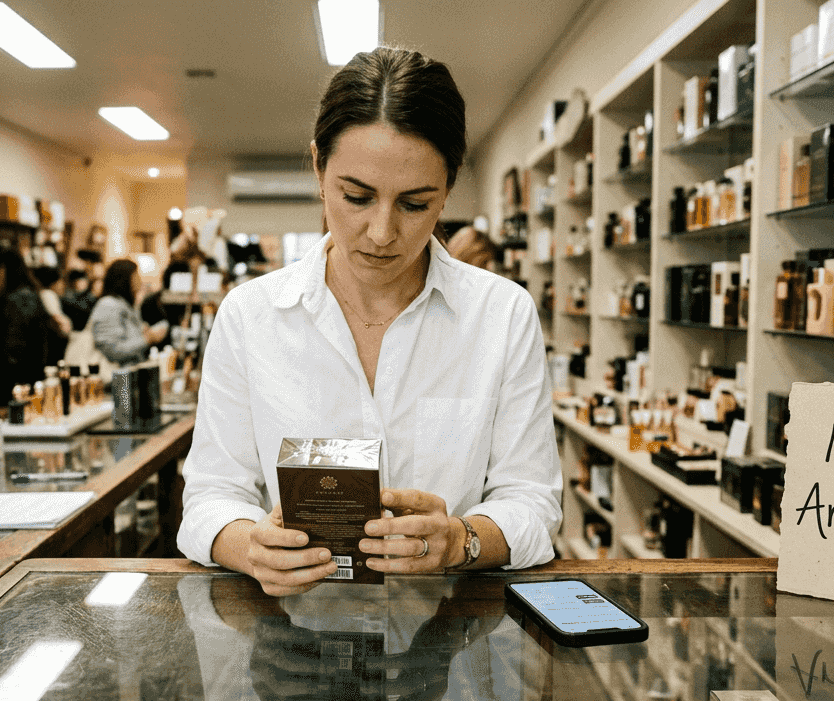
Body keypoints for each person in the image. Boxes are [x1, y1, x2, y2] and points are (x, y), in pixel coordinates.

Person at [178, 47, 562, 596]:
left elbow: (533, 502)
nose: (381, 233)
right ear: (319, 168)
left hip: (450, 629)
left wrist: (462, 540)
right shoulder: (250, 316)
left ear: (449, 186)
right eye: (356, 197)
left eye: (414, 204)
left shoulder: (501, 314)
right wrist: (249, 547)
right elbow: (210, 497)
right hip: (292, 630)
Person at [0, 246, 53, 409]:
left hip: (12, 394)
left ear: (2, 270)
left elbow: (13, 352)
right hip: (22, 389)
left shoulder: (17, 300)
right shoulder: (26, 295)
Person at [89, 259, 168, 367]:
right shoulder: (109, 305)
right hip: (115, 375)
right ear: (124, 278)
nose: (140, 281)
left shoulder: (123, 305)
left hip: (125, 373)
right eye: (136, 277)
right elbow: (112, 350)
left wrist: (142, 332)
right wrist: (147, 339)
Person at [33, 265, 72, 363]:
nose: (63, 285)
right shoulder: (48, 295)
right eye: (61, 281)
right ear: (53, 283)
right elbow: (60, 324)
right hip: (53, 347)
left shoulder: (44, 294)